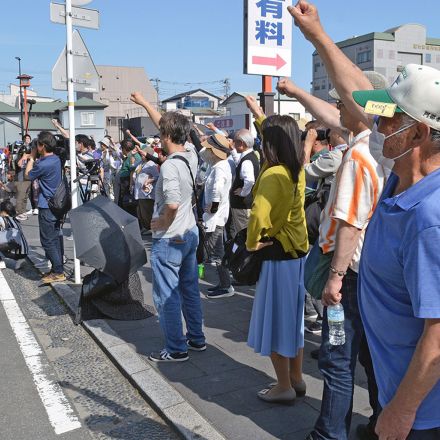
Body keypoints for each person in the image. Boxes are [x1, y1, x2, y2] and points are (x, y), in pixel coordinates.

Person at [287, 2, 388, 439]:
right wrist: (296, 93)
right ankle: (381, 423)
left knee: (337, 357)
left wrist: (334, 278)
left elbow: (348, 223)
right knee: (367, 356)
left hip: (343, 275)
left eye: (344, 99)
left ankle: (329, 433)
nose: (336, 104)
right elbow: (332, 115)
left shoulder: (358, 154)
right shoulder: (383, 148)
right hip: (369, 274)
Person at [353, 64, 440, 440]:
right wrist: (318, 36)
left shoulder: (429, 217)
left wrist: (401, 412)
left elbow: (438, 334)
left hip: (423, 413)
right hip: (396, 389)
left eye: (390, 119)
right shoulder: (400, 181)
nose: (378, 125)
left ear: (418, 132)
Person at [130, 91, 205, 362]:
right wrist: (146, 104)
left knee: (167, 296)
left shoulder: (171, 167)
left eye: (161, 133)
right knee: (188, 290)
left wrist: (160, 222)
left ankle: (176, 348)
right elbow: (169, 124)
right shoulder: (191, 155)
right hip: (189, 234)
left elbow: (171, 205)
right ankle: (196, 338)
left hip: (170, 236)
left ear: (165, 137)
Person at [246, 114, 309, 405]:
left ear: (270, 143)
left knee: (275, 324)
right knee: (293, 322)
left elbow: (259, 214)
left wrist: (251, 243)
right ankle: (295, 378)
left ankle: (283, 384)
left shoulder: (273, 174)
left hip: (277, 255)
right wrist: (259, 115)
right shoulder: (298, 170)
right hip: (297, 256)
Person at [25, 131, 64, 284]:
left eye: (38, 145)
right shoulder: (56, 159)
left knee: (48, 240)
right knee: (54, 238)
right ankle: (56, 268)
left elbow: (28, 175)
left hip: (46, 205)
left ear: (42, 146)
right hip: (56, 204)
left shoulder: (43, 163)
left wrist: (32, 156)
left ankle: (58, 271)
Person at [199, 134, 234, 298]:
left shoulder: (220, 167)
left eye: (208, 148)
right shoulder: (220, 164)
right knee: (217, 251)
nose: (205, 151)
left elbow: (217, 190)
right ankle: (224, 284)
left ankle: (226, 286)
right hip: (218, 215)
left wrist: (212, 207)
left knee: (216, 252)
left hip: (215, 216)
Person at [229, 128, 260, 239]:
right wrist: (233, 151)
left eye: (235, 142)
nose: (233, 143)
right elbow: (239, 163)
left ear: (241, 143)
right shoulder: (250, 156)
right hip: (244, 204)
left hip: (242, 205)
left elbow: (250, 180)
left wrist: (243, 192)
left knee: (244, 235)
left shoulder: (247, 160)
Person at [132, 145, 159, 234]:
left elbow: (157, 176)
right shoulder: (141, 163)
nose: (141, 156)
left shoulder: (151, 164)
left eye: (143, 154)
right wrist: (133, 154)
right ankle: (145, 226)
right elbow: (132, 167)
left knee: (147, 210)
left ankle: (150, 227)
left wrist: (149, 180)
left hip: (147, 192)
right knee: (141, 211)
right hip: (140, 191)